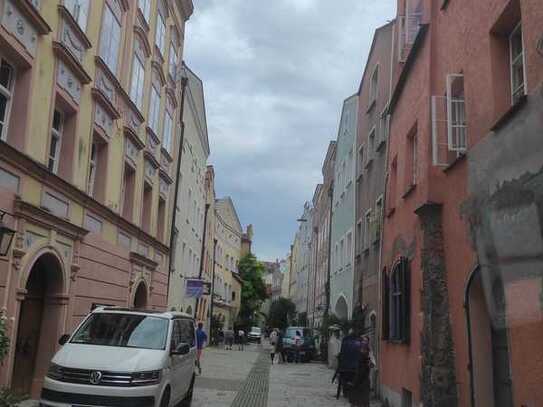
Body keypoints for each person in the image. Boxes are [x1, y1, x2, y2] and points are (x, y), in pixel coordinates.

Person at [348, 336, 374, 407]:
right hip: (358, 378)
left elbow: (372, 364)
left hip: (364, 380)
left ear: (368, 342)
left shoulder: (369, 353)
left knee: (364, 401)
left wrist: (370, 363)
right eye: (363, 341)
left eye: (366, 341)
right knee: (356, 400)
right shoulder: (358, 351)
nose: (364, 342)